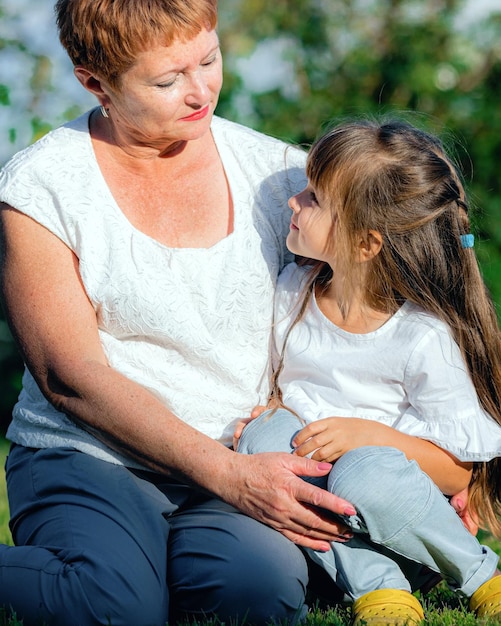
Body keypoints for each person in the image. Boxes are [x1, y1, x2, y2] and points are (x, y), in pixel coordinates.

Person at [0, 1, 363, 624]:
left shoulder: (280, 176)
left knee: (254, 595)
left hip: (246, 451)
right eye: (167, 80)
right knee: (114, 606)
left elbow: (383, 299)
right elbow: (69, 374)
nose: (200, 91)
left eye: (210, 59)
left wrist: (439, 459)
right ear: (94, 81)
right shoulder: (40, 187)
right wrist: (228, 475)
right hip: (91, 455)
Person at [236, 118, 501, 625]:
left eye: (314, 199)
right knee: (264, 437)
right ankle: (378, 591)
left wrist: (370, 437)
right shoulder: (294, 292)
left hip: (403, 522)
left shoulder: (420, 337)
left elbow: (456, 468)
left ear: (366, 244)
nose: (294, 202)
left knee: (365, 472)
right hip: (331, 528)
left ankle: (479, 575)